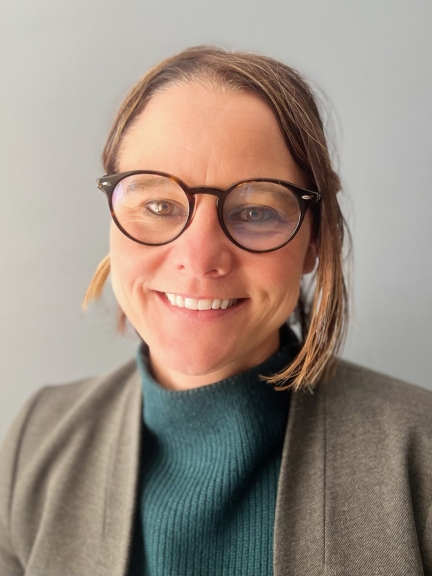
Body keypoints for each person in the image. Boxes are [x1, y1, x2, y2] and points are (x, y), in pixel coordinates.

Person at [0, 46, 431, 576]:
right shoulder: (35, 441)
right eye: (158, 205)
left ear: (314, 237)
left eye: (255, 211)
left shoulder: (422, 453)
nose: (200, 259)